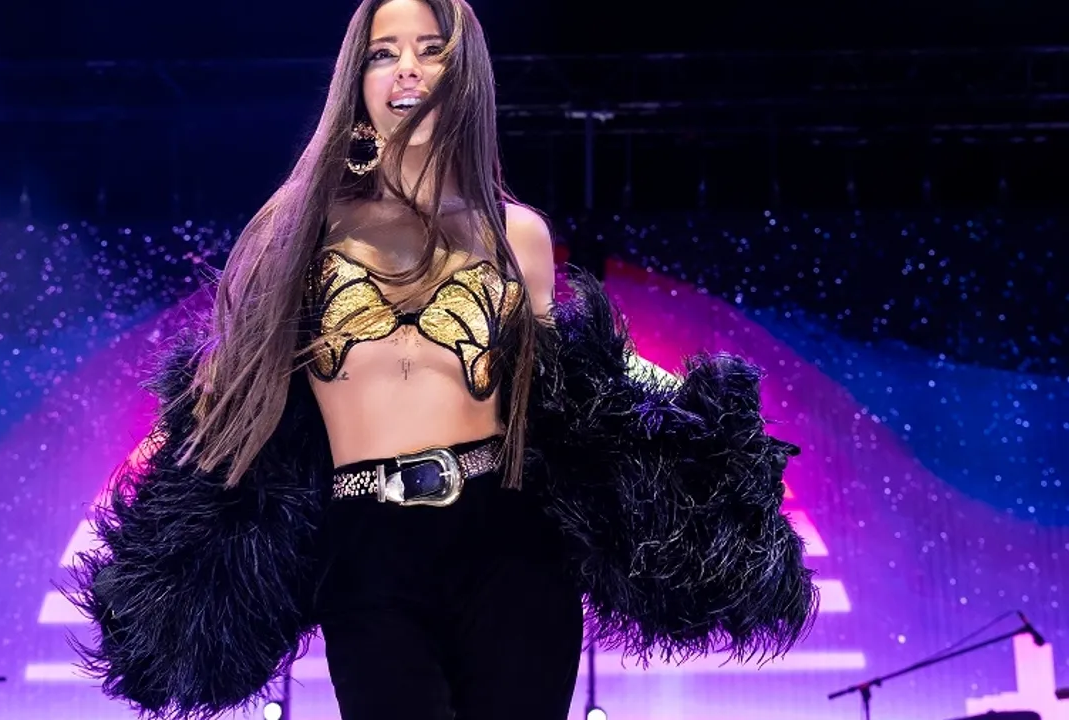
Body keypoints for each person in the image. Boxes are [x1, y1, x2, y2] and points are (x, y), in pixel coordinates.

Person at [66, 0, 818, 719]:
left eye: (432, 52)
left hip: (510, 538)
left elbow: (574, 393)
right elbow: (223, 389)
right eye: (383, 54)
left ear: (465, 78)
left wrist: (694, 433)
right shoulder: (294, 229)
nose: (408, 70)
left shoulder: (517, 235)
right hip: (365, 541)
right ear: (356, 83)